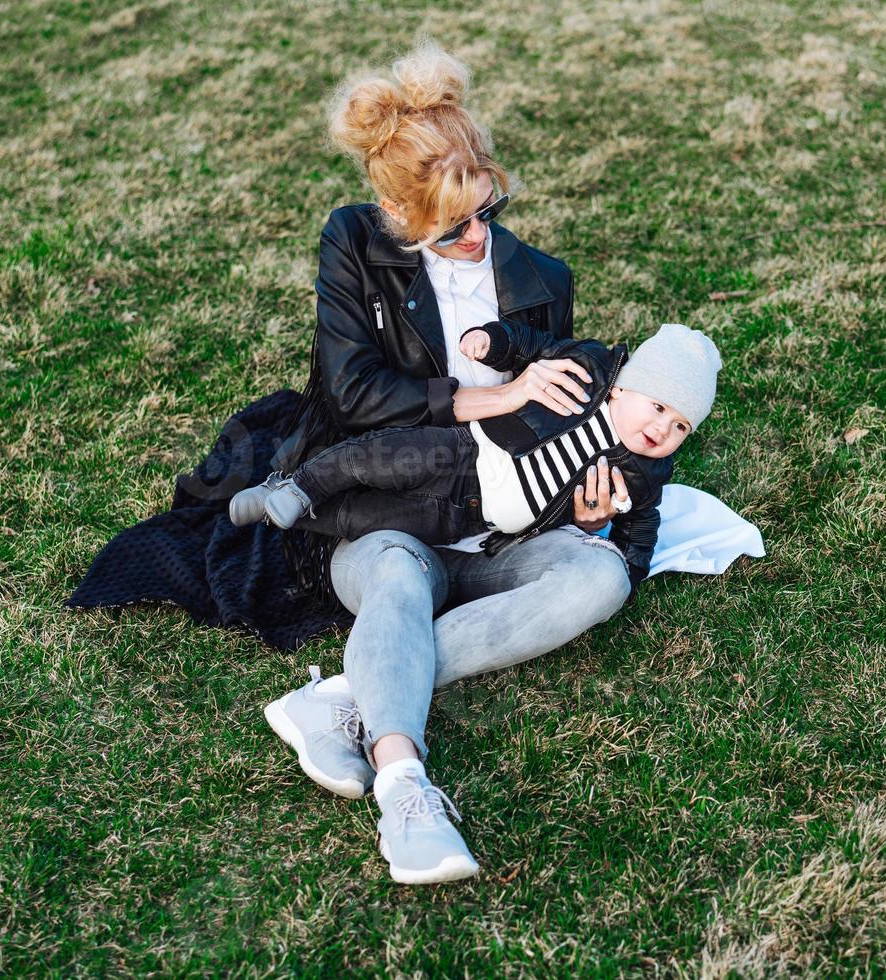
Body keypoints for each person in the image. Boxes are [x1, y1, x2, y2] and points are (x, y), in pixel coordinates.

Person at [261, 42, 646, 885]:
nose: (478, 236)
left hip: (501, 530)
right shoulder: (354, 245)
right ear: (402, 217)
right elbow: (355, 392)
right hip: (387, 516)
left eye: (487, 208)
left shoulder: (541, 279)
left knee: (601, 577)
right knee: (397, 583)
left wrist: (584, 504)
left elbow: (569, 411)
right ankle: (405, 788)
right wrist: (494, 399)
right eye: (451, 227)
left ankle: (344, 697)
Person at [229, 322, 722, 605]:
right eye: (658, 407)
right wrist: (494, 341)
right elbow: (535, 345)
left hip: (469, 515)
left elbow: (641, 527)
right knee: (374, 460)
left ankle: (297, 514)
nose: (663, 430)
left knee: (366, 517)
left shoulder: (643, 476)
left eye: (680, 426)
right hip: (464, 453)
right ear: (623, 387)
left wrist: (630, 574)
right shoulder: (588, 369)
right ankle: (295, 485)